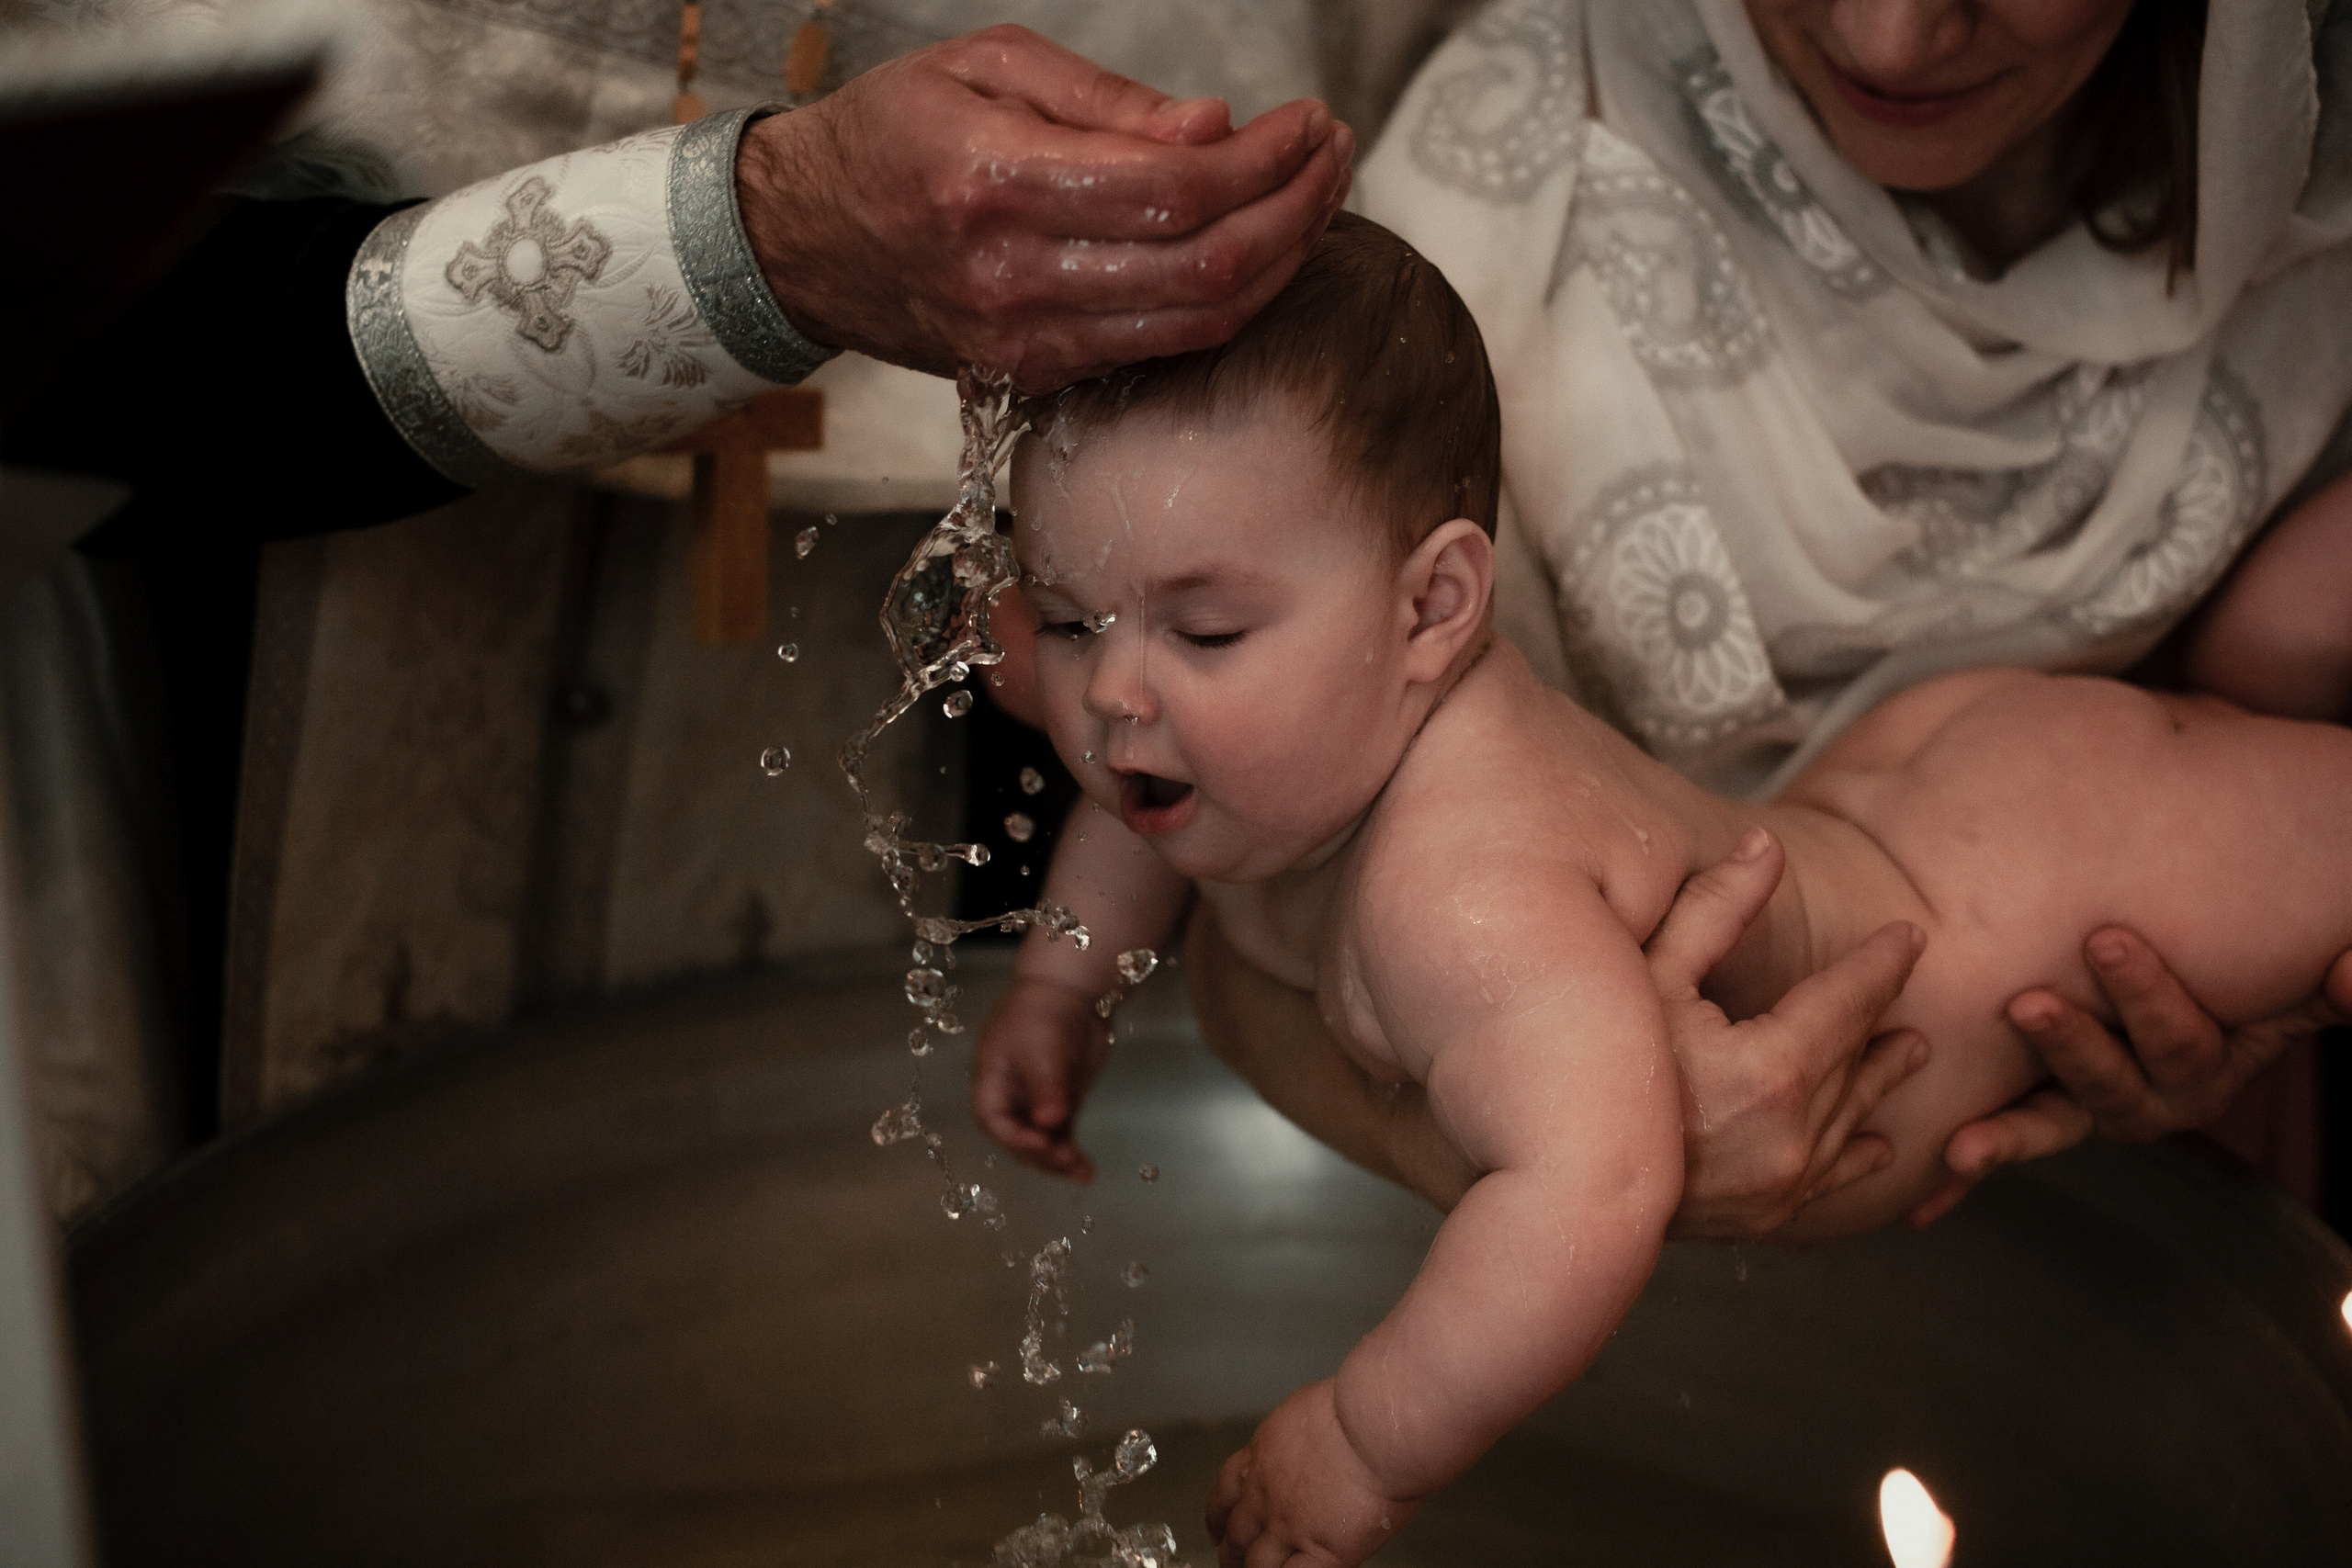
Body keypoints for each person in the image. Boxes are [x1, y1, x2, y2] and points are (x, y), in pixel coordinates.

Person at [965, 211, 2352, 1567]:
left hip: (2008, 908)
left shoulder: (1456, 896)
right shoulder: (1220, 756)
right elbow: (1126, 817)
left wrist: (1366, 1441)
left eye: (1203, 629)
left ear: (1433, 611)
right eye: (1075, 622)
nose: (1117, 693)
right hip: (1892, 795)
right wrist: (1062, 982)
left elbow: (1594, 1184)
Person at [1171, 0, 2352, 1235]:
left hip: (2080, 1191)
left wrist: (2237, 996)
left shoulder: (2308, 232)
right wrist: (1560, 1168)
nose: (1887, 39)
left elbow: (2253, 737)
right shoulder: (1476, 232)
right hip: (1452, 1209)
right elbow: (1250, 937)